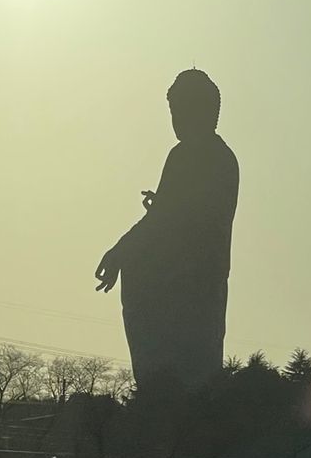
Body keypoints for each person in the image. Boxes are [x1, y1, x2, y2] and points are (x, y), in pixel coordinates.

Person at [95, 70, 239, 393]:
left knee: (185, 363)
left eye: (179, 111)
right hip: (197, 277)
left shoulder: (196, 156)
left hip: (192, 278)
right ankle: (162, 388)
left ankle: (158, 387)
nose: (174, 120)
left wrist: (120, 251)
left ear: (201, 111)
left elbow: (174, 219)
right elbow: (172, 213)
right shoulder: (216, 157)